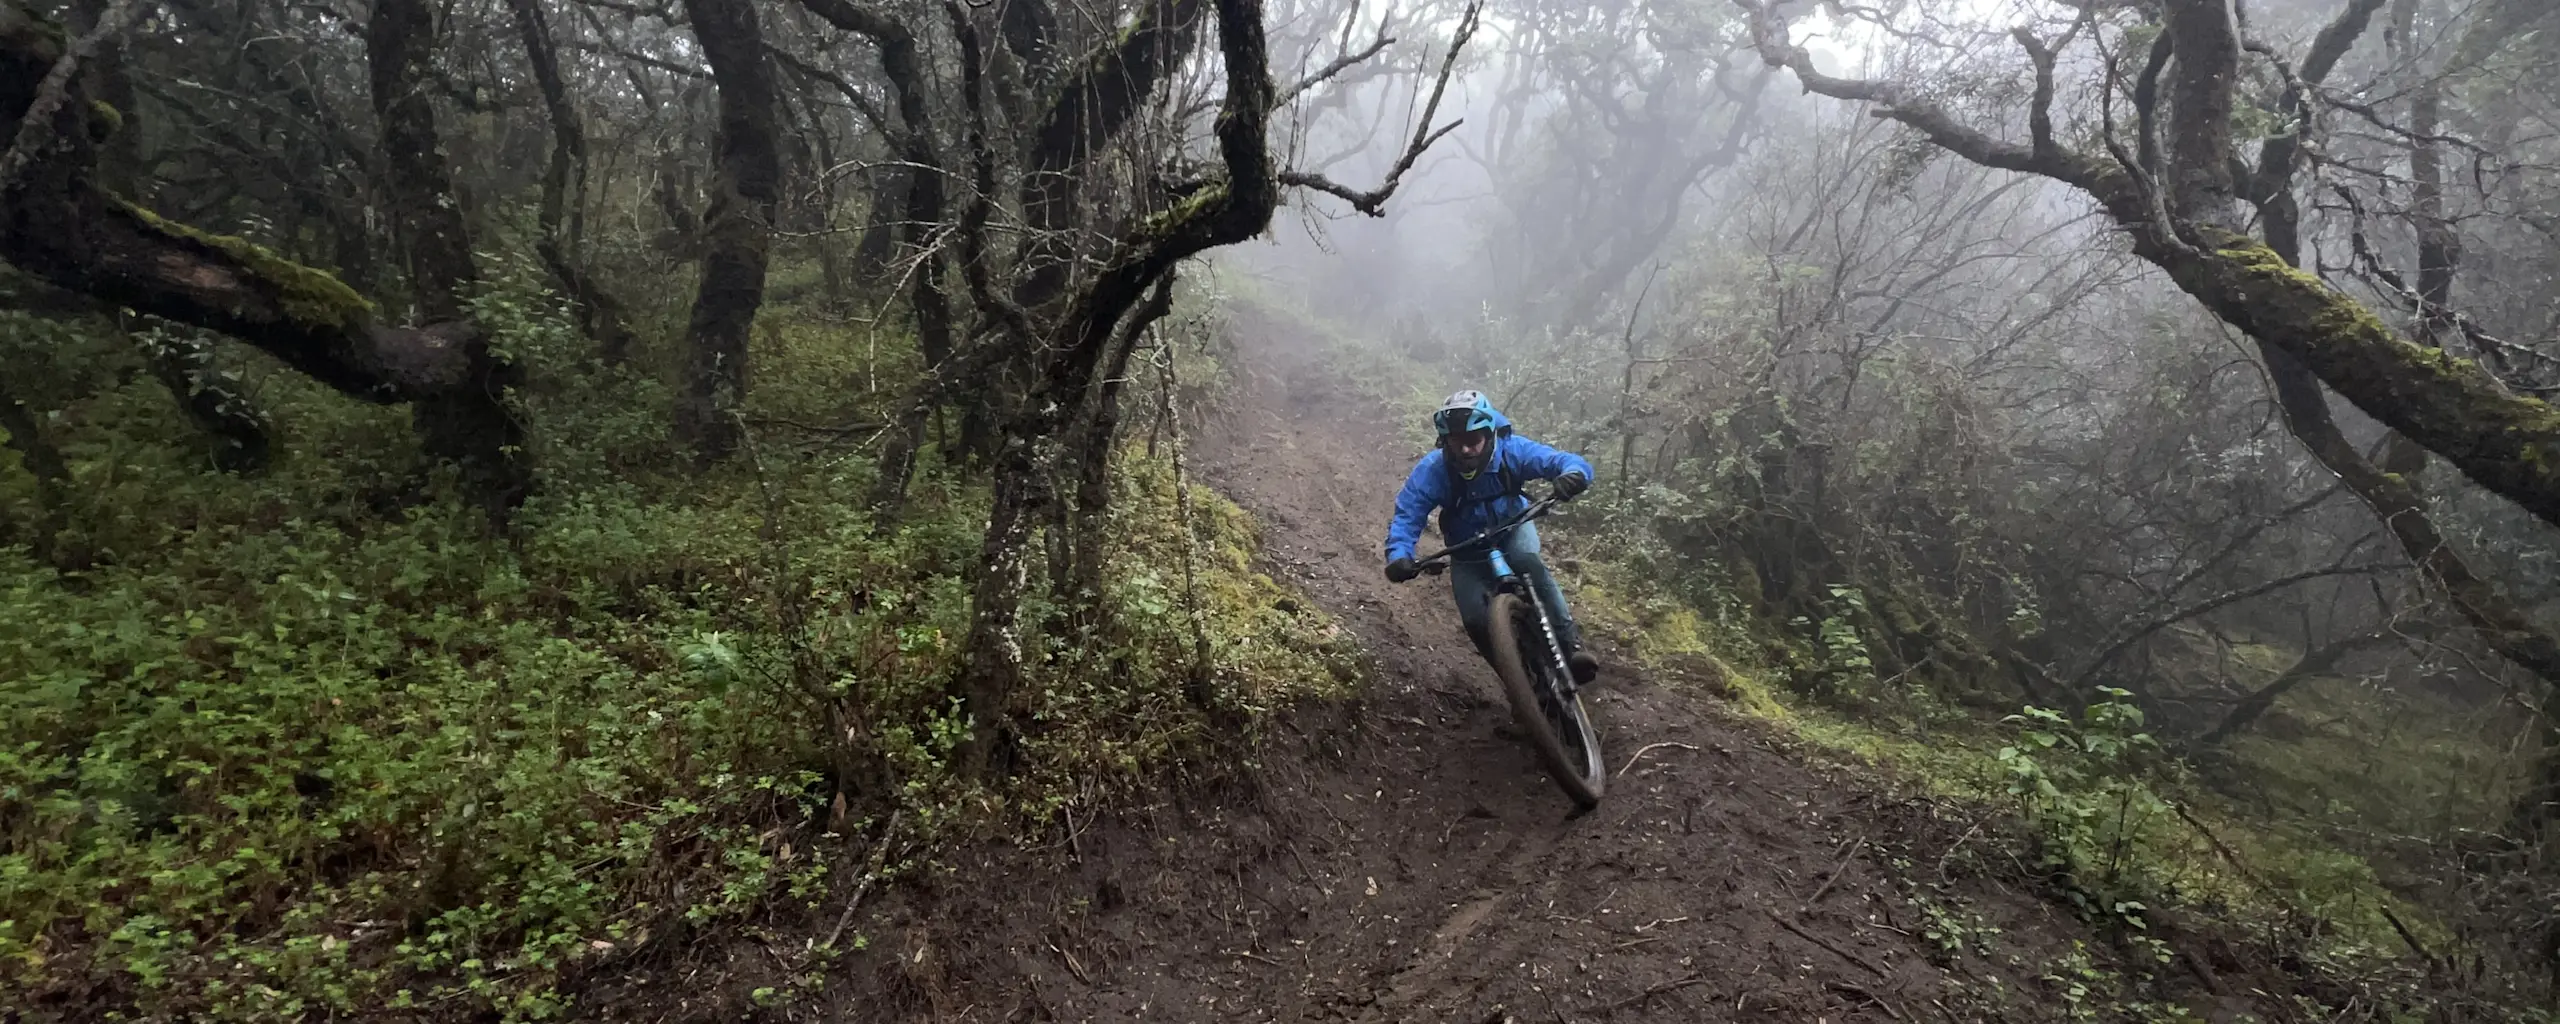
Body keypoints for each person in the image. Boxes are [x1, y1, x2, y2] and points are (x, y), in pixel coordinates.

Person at [1382, 389, 1600, 684]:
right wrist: (1399, 555)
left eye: (1473, 440)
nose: (1465, 449)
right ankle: (1516, 682)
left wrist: (1573, 474)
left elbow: (1560, 461)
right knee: (1474, 618)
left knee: (1527, 560)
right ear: (1445, 441)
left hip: (1513, 528)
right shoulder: (1433, 470)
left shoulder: (1512, 451)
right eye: (1456, 441)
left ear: (1488, 434)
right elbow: (1408, 513)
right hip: (1467, 549)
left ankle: (1570, 643)